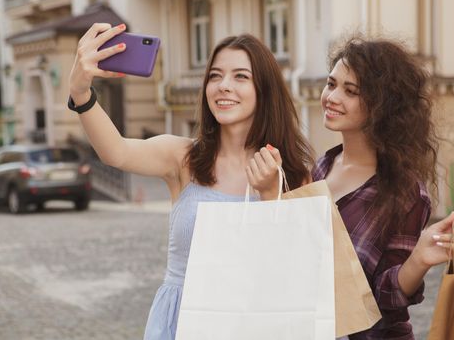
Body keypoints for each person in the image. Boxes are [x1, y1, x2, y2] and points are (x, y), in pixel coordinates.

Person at [68, 23, 313, 340]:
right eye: (215, 75)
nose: (223, 85)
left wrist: (270, 195)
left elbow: (297, 269)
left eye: (240, 76)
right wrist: (80, 93)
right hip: (182, 322)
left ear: (264, 90)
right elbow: (116, 152)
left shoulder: (291, 172)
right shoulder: (182, 157)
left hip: (256, 322)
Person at [249, 35, 454, 339]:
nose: (332, 97)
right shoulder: (324, 165)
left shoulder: (405, 192)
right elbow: (300, 259)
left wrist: (418, 259)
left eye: (350, 91)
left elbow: (383, 302)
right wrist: (270, 195)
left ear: (382, 105)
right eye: (331, 84)